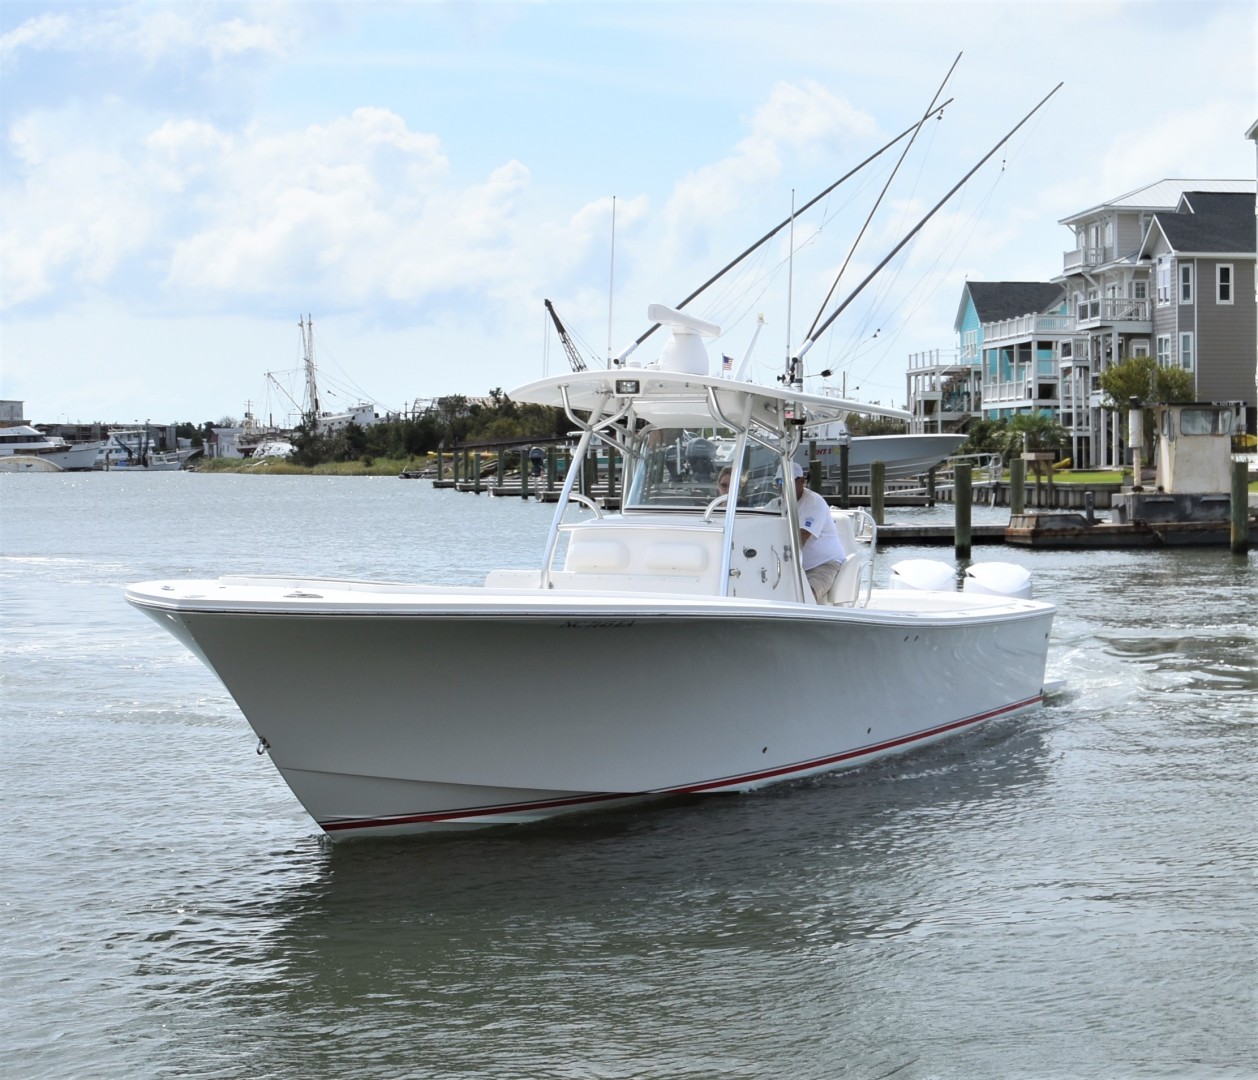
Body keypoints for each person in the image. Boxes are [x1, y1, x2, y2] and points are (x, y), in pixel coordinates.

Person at [787, 461, 845, 601]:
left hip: (823, 565)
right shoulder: (778, 503)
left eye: (788, 482)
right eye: (779, 482)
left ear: (801, 481)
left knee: (805, 598)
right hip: (794, 566)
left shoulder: (814, 502)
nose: (783, 487)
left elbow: (801, 538)